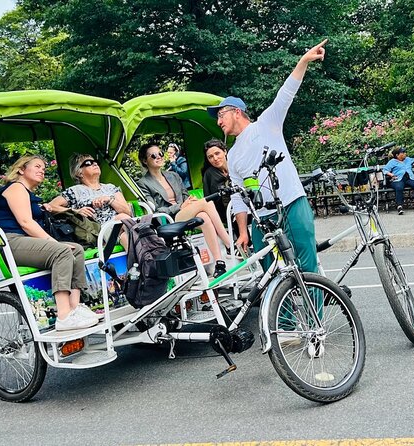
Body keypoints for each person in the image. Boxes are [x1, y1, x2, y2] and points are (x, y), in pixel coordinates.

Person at [206, 39, 329, 274]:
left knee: (307, 265)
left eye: (221, 114)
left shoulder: (266, 124)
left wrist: (303, 61)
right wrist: (243, 231)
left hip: (292, 203)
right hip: (262, 219)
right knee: (271, 274)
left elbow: (287, 92)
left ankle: (315, 311)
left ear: (237, 112)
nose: (219, 121)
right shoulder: (231, 154)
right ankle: (279, 312)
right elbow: (240, 196)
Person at [0, 155, 98, 331]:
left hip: (25, 240)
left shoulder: (28, 194)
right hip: (11, 241)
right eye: (37, 166)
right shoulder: (16, 188)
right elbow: (25, 222)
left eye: (44, 168)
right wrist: (53, 242)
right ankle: (64, 316)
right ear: (21, 169)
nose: (42, 170)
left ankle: (75, 307)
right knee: (62, 251)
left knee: (76, 249)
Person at [136, 142, 232, 277]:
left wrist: (189, 202)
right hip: (169, 218)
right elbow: (155, 210)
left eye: (160, 153)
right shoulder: (143, 183)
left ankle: (219, 263)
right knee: (208, 203)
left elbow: (185, 195)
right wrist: (180, 206)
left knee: (204, 216)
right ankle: (230, 244)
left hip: (185, 212)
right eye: (153, 155)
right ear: (145, 161)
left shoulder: (173, 175)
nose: (159, 157)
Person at [49, 154, 132, 249]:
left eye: (96, 162)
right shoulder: (75, 191)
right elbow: (51, 206)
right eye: (88, 163)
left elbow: (128, 211)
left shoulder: (111, 188)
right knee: (123, 218)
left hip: (122, 229)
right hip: (99, 231)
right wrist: (76, 211)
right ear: (79, 173)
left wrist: (109, 200)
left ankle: (144, 262)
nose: (95, 164)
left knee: (126, 236)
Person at [382, 147, 414, 215]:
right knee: (399, 187)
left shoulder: (408, 159)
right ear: (397, 155)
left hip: (408, 178)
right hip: (397, 179)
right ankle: (399, 206)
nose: (405, 154)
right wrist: (391, 174)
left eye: (405, 152)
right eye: (403, 153)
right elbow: (385, 170)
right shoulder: (392, 162)